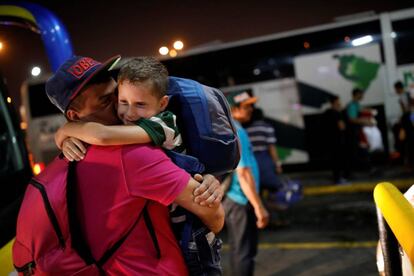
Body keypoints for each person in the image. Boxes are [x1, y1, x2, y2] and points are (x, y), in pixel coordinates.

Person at [43, 55, 225, 275]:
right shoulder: (131, 155)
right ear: (74, 115)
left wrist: (65, 131)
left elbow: (102, 135)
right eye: (107, 100)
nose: (126, 112)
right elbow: (215, 215)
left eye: (115, 95)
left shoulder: (65, 161)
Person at [223, 90, 269, 276]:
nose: (251, 109)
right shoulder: (237, 131)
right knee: (244, 252)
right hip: (240, 201)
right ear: (234, 109)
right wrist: (259, 206)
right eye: (246, 106)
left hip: (236, 201)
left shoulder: (231, 129)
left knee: (240, 249)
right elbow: (243, 173)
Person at [244, 107, 282, 191]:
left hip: (252, 160)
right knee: (271, 185)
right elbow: (272, 148)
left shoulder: (246, 130)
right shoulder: (267, 127)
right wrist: (277, 164)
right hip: (265, 159)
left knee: (257, 185)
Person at [324, 96, 349, 184]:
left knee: (334, 161)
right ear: (334, 102)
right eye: (338, 101)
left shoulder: (327, 112)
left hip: (330, 141)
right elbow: (342, 127)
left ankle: (336, 178)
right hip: (338, 140)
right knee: (339, 160)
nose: (340, 103)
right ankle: (339, 179)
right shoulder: (337, 113)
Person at [394, 80, 414, 168]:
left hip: (408, 119)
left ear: (398, 88)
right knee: (409, 142)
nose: (395, 91)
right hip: (408, 118)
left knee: (409, 142)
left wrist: (403, 125)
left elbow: (406, 109)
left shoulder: (404, 96)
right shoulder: (406, 95)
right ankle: (409, 161)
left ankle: (409, 162)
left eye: (396, 89)